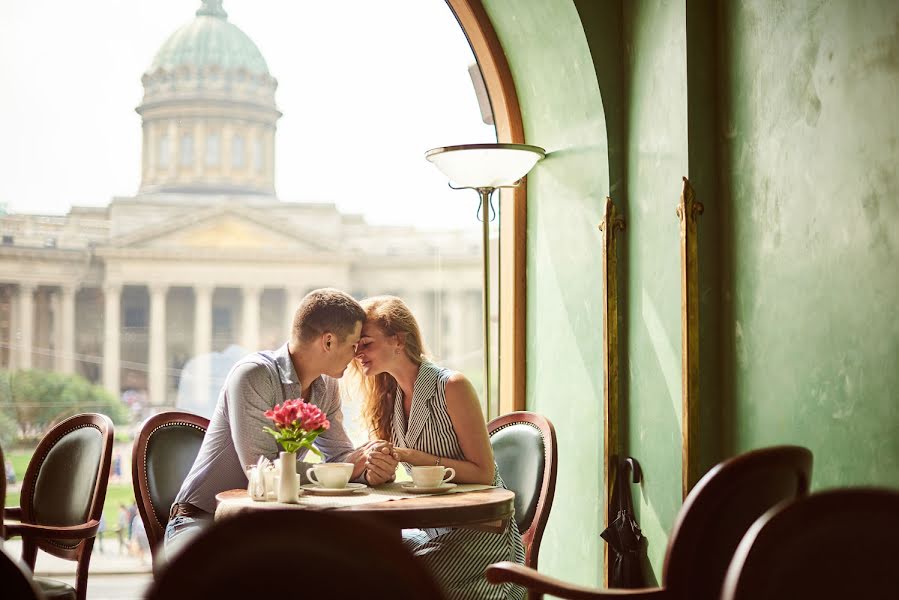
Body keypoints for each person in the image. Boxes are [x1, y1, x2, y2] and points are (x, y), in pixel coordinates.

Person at [164, 288, 397, 559]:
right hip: (203, 520)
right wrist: (342, 469)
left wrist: (370, 467)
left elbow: (340, 455)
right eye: (353, 345)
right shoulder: (253, 374)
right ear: (329, 342)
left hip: (270, 523)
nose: (356, 355)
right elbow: (262, 469)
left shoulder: (327, 387)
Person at [351, 295, 525, 600]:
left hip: (482, 536)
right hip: (431, 531)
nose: (358, 354)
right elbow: (391, 477)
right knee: (357, 565)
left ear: (398, 340)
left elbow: (484, 474)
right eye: (356, 346)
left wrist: (413, 457)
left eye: (366, 343)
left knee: (387, 582)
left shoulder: (452, 387)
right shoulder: (387, 400)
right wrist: (379, 472)